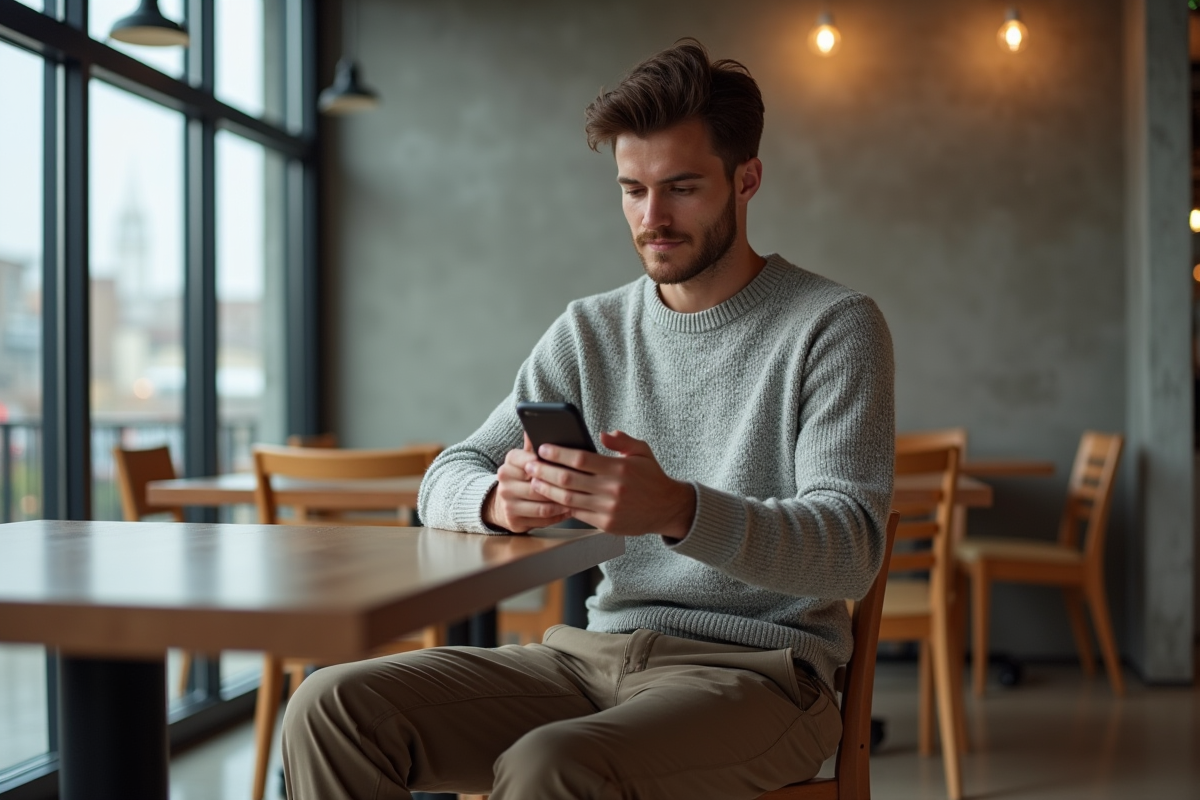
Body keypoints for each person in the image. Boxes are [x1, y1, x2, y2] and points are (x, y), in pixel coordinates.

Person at [282, 38, 894, 800]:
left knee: (550, 766)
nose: (652, 218)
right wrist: (496, 503)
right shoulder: (589, 332)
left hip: (764, 677)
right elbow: (447, 473)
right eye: (632, 190)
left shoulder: (833, 325)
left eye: (681, 188)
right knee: (329, 707)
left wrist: (679, 510)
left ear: (748, 180)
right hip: (592, 656)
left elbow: (851, 550)